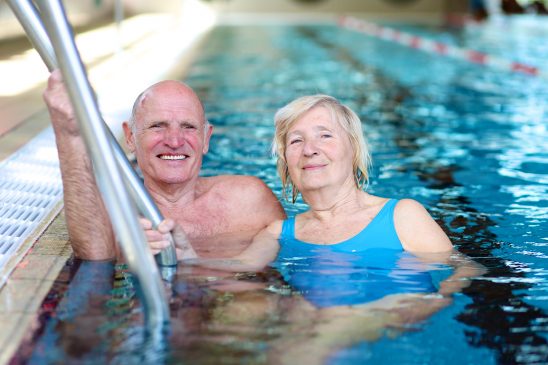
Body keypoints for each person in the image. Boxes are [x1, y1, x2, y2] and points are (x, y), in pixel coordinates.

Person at [149, 94, 454, 265]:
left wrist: (385, 313)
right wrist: (187, 255)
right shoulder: (278, 233)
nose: (310, 150)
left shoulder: (403, 216)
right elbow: (241, 267)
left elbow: (458, 279)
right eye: (296, 141)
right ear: (286, 164)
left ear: (353, 148)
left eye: (325, 135)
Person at [43, 70, 286, 260]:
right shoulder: (109, 209)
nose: (174, 141)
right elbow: (93, 260)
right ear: (130, 137)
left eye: (188, 127)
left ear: (206, 138)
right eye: (158, 126)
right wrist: (70, 135)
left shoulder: (248, 200)